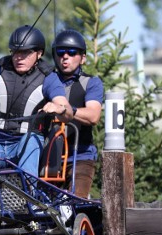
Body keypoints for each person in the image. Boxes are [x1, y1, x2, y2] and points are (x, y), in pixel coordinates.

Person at [0, 24, 73, 177]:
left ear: (39, 53)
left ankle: (26, 195)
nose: (19, 57)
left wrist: (59, 108)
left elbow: (68, 112)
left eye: (25, 53)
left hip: (23, 146)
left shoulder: (49, 78)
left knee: (32, 139)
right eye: (15, 52)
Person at [51, 29, 104, 198]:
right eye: (60, 52)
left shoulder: (91, 83)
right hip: (49, 155)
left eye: (72, 52)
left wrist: (66, 110)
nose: (65, 56)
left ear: (83, 58)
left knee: (76, 200)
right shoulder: (47, 81)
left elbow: (93, 115)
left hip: (80, 154)